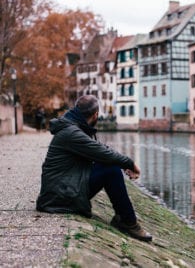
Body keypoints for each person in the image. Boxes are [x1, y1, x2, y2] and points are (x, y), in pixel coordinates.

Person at [36, 95, 152, 242]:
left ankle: (124, 218)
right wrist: (129, 163)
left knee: (110, 165)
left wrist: (122, 163)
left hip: (61, 189)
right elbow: (101, 152)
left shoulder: (72, 126)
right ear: (96, 114)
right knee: (111, 171)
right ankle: (128, 221)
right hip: (58, 197)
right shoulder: (72, 132)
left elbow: (100, 150)